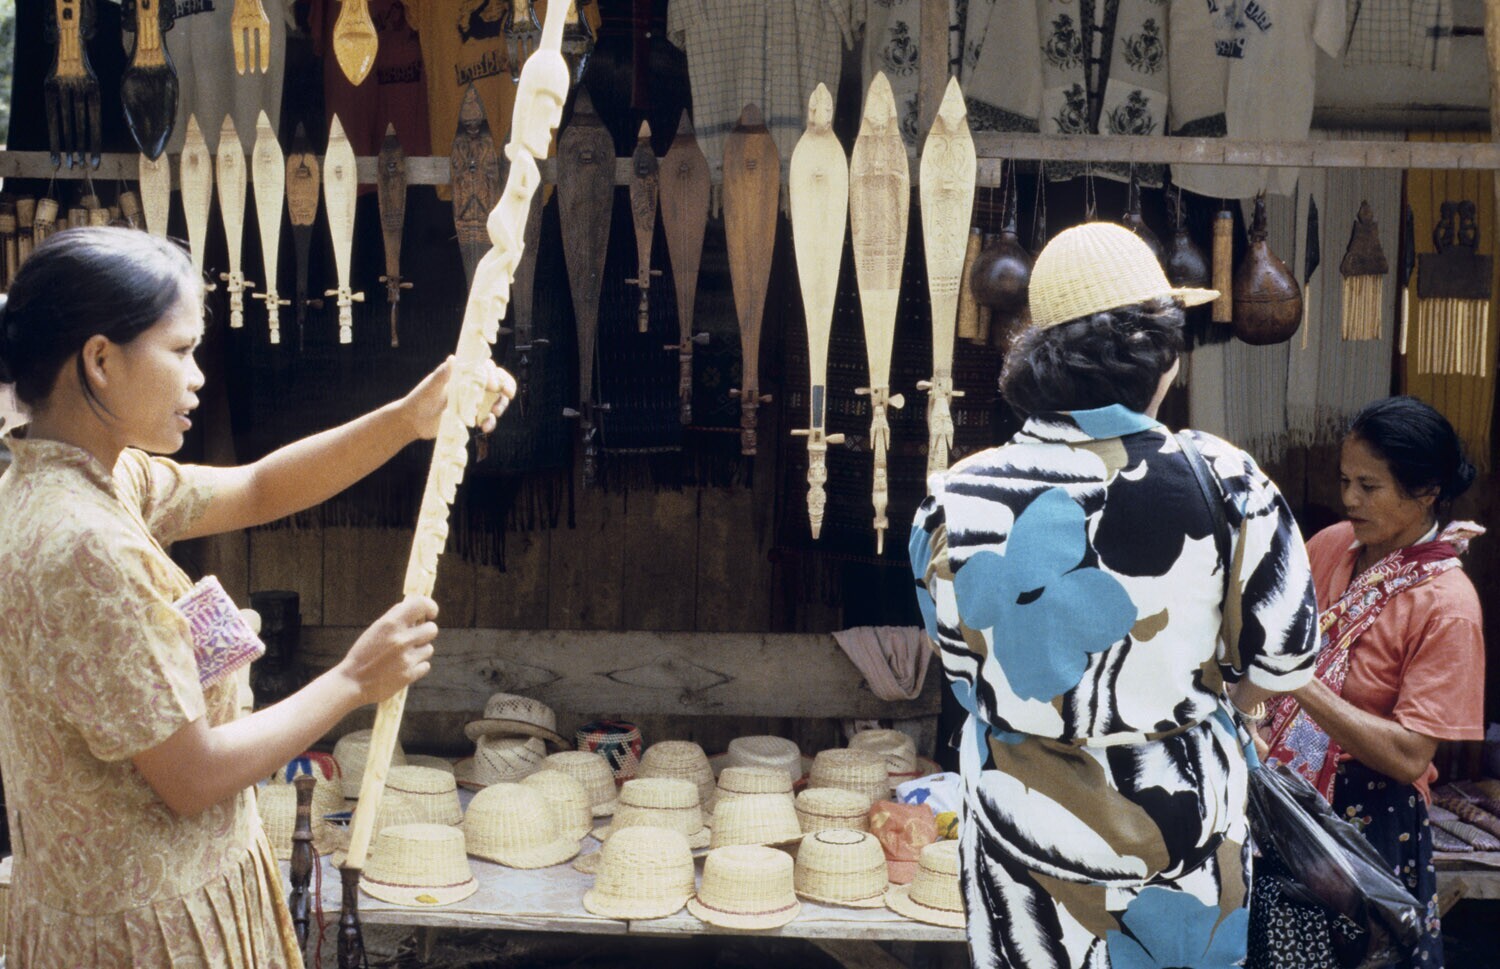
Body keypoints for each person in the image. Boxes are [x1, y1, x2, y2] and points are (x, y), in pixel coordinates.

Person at [0, 227, 516, 968]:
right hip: (149, 937)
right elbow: (194, 776)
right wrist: (354, 679)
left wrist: (409, 418)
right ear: (100, 360)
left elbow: (257, 487)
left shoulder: (75, 481)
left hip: (125, 904)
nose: (197, 377)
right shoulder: (87, 547)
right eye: (181, 351)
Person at [909, 222, 1319, 968]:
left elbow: (965, 678)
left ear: (1038, 361)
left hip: (1023, 839)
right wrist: (1211, 698)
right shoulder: (1227, 480)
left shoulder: (956, 498)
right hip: (1187, 835)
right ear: (1162, 358)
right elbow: (1284, 663)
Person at [1250, 396, 1485, 969]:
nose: (1350, 499)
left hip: (1371, 823)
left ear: (1426, 490)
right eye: (1345, 481)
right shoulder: (1331, 545)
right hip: (1282, 801)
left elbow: (1409, 756)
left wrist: (1298, 680)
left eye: (1369, 486)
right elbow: (1267, 644)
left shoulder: (1447, 606)